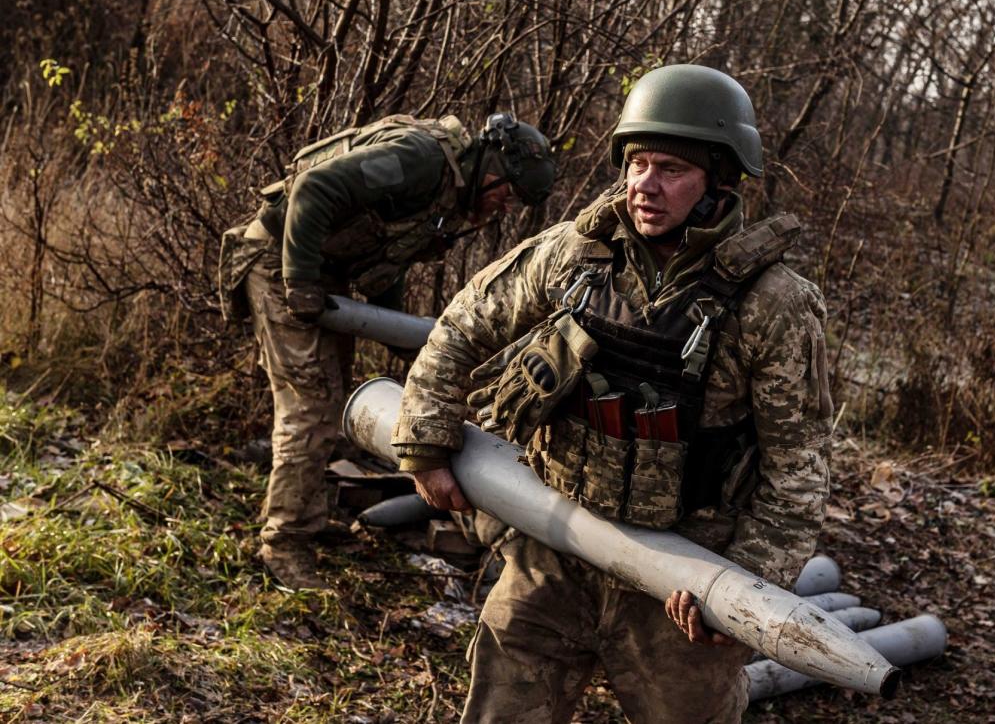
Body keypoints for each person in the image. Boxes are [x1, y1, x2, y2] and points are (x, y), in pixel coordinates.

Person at [392, 65, 833, 722]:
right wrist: (424, 439)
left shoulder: (772, 303)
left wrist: (740, 591)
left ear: (719, 178)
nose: (643, 185)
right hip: (553, 546)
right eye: (636, 163)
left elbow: (796, 469)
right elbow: (462, 325)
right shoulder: (575, 255)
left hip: (680, 575)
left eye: (670, 169)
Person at [217, 112, 556, 590]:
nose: (505, 204)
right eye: (508, 190)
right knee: (311, 406)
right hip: (279, 260)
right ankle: (285, 542)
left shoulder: (449, 192)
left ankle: (305, 518)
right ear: (491, 161)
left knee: (325, 401)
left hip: (319, 270)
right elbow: (314, 189)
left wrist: (397, 336)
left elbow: (389, 255)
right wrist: (299, 280)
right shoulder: (419, 160)